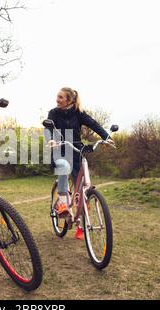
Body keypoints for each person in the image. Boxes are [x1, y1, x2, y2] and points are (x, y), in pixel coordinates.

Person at [44, 87, 114, 239]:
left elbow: (93, 124)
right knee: (63, 167)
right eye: (57, 96)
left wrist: (106, 136)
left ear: (69, 100)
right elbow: (48, 127)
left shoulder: (79, 113)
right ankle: (62, 203)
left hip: (76, 150)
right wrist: (50, 140)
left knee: (82, 189)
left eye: (61, 97)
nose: (57, 100)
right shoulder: (53, 113)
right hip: (60, 149)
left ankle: (81, 226)